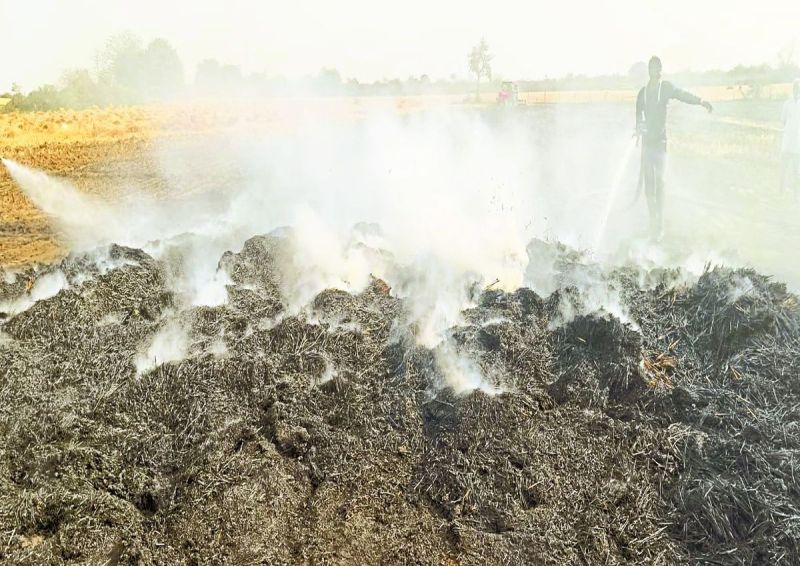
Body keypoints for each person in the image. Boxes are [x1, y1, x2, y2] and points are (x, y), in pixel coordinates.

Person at [635, 56, 713, 240]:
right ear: (649, 70)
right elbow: (638, 118)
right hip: (647, 145)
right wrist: (639, 128)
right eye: (653, 67)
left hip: (661, 144)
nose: (657, 70)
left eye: (659, 67)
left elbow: (682, 94)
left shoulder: (666, 88)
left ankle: (659, 225)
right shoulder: (642, 94)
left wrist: (701, 101)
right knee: (649, 185)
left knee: (660, 183)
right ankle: (652, 221)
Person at [780, 80, 800, 199]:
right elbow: (782, 120)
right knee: (783, 167)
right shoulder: (787, 103)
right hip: (787, 141)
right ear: (793, 89)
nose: (797, 90)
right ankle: (781, 192)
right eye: (795, 88)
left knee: (796, 170)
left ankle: (796, 194)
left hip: (798, 143)